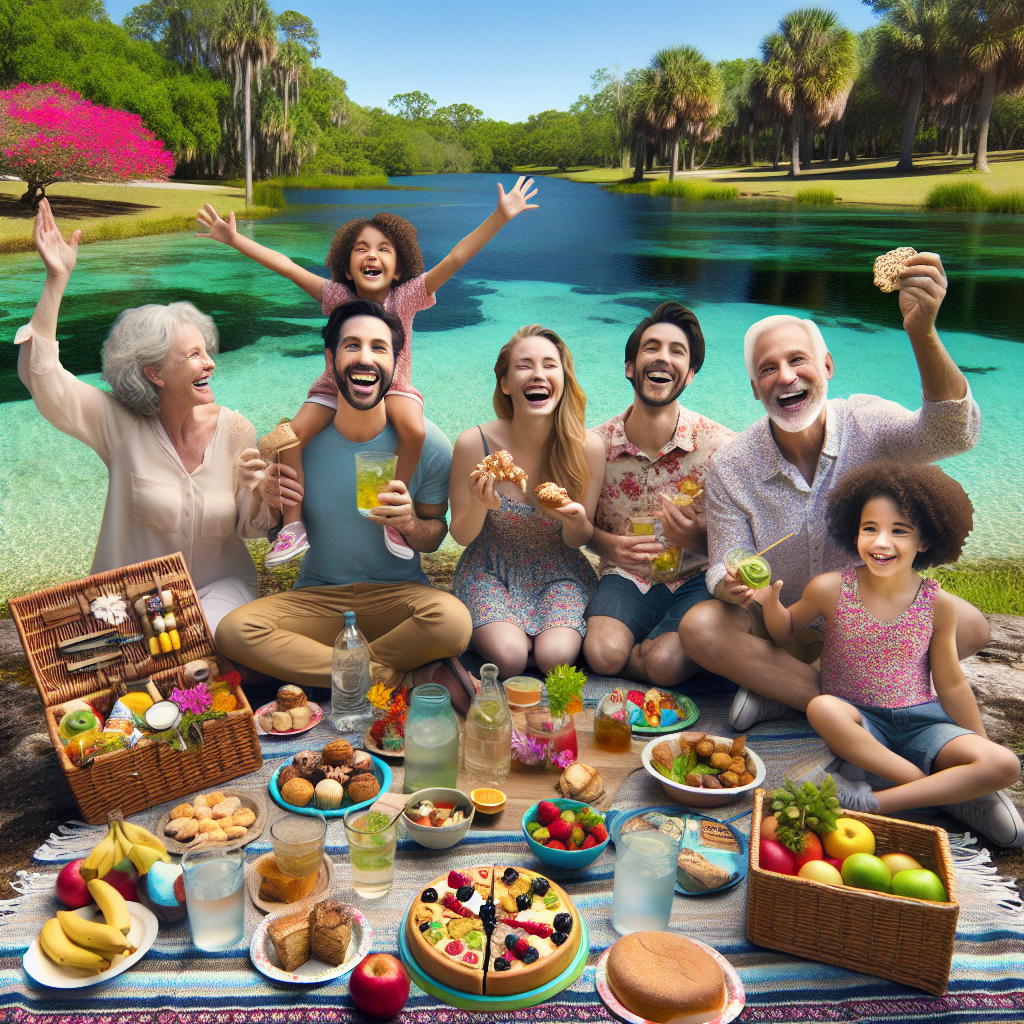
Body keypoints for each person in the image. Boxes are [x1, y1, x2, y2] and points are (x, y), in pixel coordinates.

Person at [679, 251, 987, 732]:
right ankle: (864, 705)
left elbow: (954, 435)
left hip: (868, 618)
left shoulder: (866, 421)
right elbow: (725, 556)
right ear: (755, 390)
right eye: (767, 369)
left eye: (797, 360)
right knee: (700, 627)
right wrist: (732, 583)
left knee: (972, 627)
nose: (785, 376)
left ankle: (788, 692)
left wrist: (922, 333)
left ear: (827, 366)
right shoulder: (731, 465)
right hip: (780, 622)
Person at [196, 176, 538, 565]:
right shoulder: (337, 295)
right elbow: (289, 268)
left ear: (398, 268)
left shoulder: (406, 296)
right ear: (347, 264)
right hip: (333, 385)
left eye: (383, 250)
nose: (371, 255)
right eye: (361, 249)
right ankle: (293, 527)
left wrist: (500, 216)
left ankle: (392, 508)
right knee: (287, 437)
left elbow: (457, 257)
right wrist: (235, 240)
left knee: (414, 430)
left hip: (395, 386)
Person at [17, 200, 270, 633]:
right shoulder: (117, 424)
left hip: (220, 594)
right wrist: (56, 280)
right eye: (192, 355)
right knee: (155, 650)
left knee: (211, 636)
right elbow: (41, 376)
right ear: (153, 372)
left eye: (206, 352)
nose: (208, 364)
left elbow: (252, 527)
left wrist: (264, 492)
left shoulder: (235, 429)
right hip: (130, 604)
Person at [216, 298, 475, 705]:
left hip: (399, 597)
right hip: (318, 598)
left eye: (379, 348)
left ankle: (338, 676)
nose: (365, 359)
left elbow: (433, 537)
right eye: (351, 345)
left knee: (454, 622)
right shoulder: (295, 445)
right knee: (234, 631)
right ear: (330, 358)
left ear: (395, 363)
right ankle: (392, 677)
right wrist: (270, 503)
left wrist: (408, 524)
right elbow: (274, 535)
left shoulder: (432, 446)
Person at [754, 462, 1022, 848]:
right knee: (822, 708)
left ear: (924, 541)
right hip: (859, 721)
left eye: (899, 531)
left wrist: (978, 745)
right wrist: (770, 603)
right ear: (855, 531)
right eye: (870, 529)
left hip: (922, 722)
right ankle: (939, 790)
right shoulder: (830, 588)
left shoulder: (938, 604)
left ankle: (872, 801)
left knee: (1004, 763)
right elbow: (786, 630)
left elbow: (950, 682)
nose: (881, 542)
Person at [583, 303, 735, 686]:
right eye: (651, 347)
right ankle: (658, 656)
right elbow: (577, 527)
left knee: (665, 665)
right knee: (602, 655)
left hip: (696, 576)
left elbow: (745, 537)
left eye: (677, 351)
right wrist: (611, 547)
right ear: (630, 367)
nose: (662, 358)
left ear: (690, 376)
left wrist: (697, 538)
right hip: (626, 574)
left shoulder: (722, 447)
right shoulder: (595, 446)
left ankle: (660, 656)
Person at [448, 325, 605, 679]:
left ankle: (531, 642)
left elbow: (578, 541)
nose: (538, 374)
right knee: (510, 658)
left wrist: (576, 521)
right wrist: (479, 505)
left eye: (550, 365)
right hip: (489, 567)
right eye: (524, 366)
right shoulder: (475, 444)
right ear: (505, 383)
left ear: (564, 378)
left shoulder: (588, 449)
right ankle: (515, 641)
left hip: (560, 570)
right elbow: (460, 535)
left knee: (556, 658)